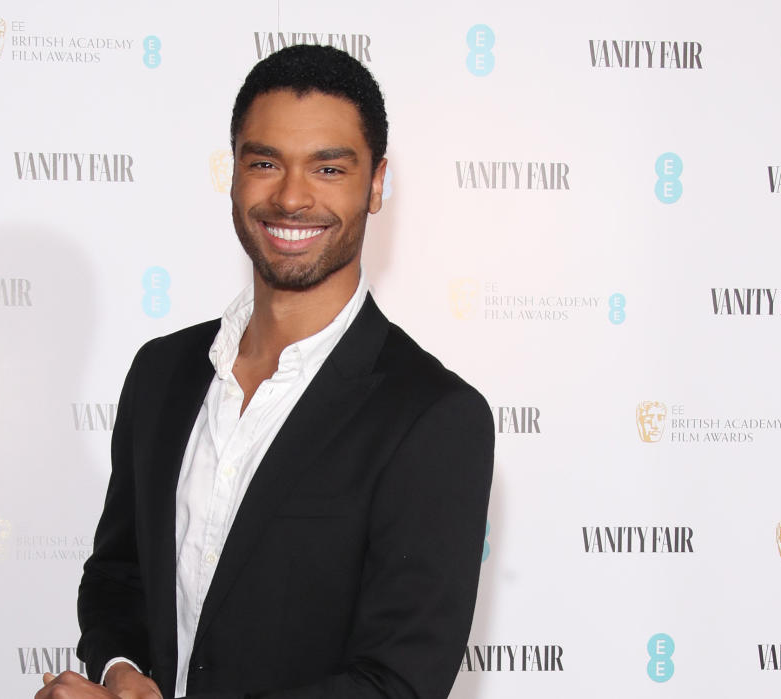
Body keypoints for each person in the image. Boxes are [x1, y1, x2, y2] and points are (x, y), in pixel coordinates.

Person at [37, 44, 494, 699]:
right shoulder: (162, 372)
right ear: (234, 174)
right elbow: (118, 574)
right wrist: (120, 672)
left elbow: (395, 683)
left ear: (376, 183)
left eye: (329, 167)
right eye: (265, 162)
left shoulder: (433, 416)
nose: (291, 196)